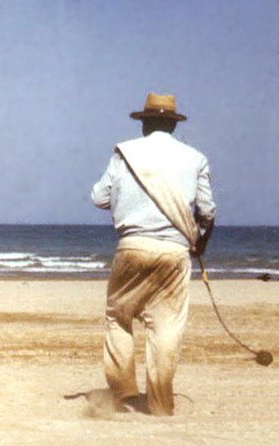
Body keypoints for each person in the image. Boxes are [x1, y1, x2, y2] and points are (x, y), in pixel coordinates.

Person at [91, 93, 216, 416]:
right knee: (166, 326)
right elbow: (208, 212)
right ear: (173, 125)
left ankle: (122, 395)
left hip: (132, 245)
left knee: (119, 317)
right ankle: (160, 404)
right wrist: (200, 243)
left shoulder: (124, 153)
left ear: (144, 123)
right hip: (175, 251)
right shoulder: (195, 158)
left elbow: (99, 197)